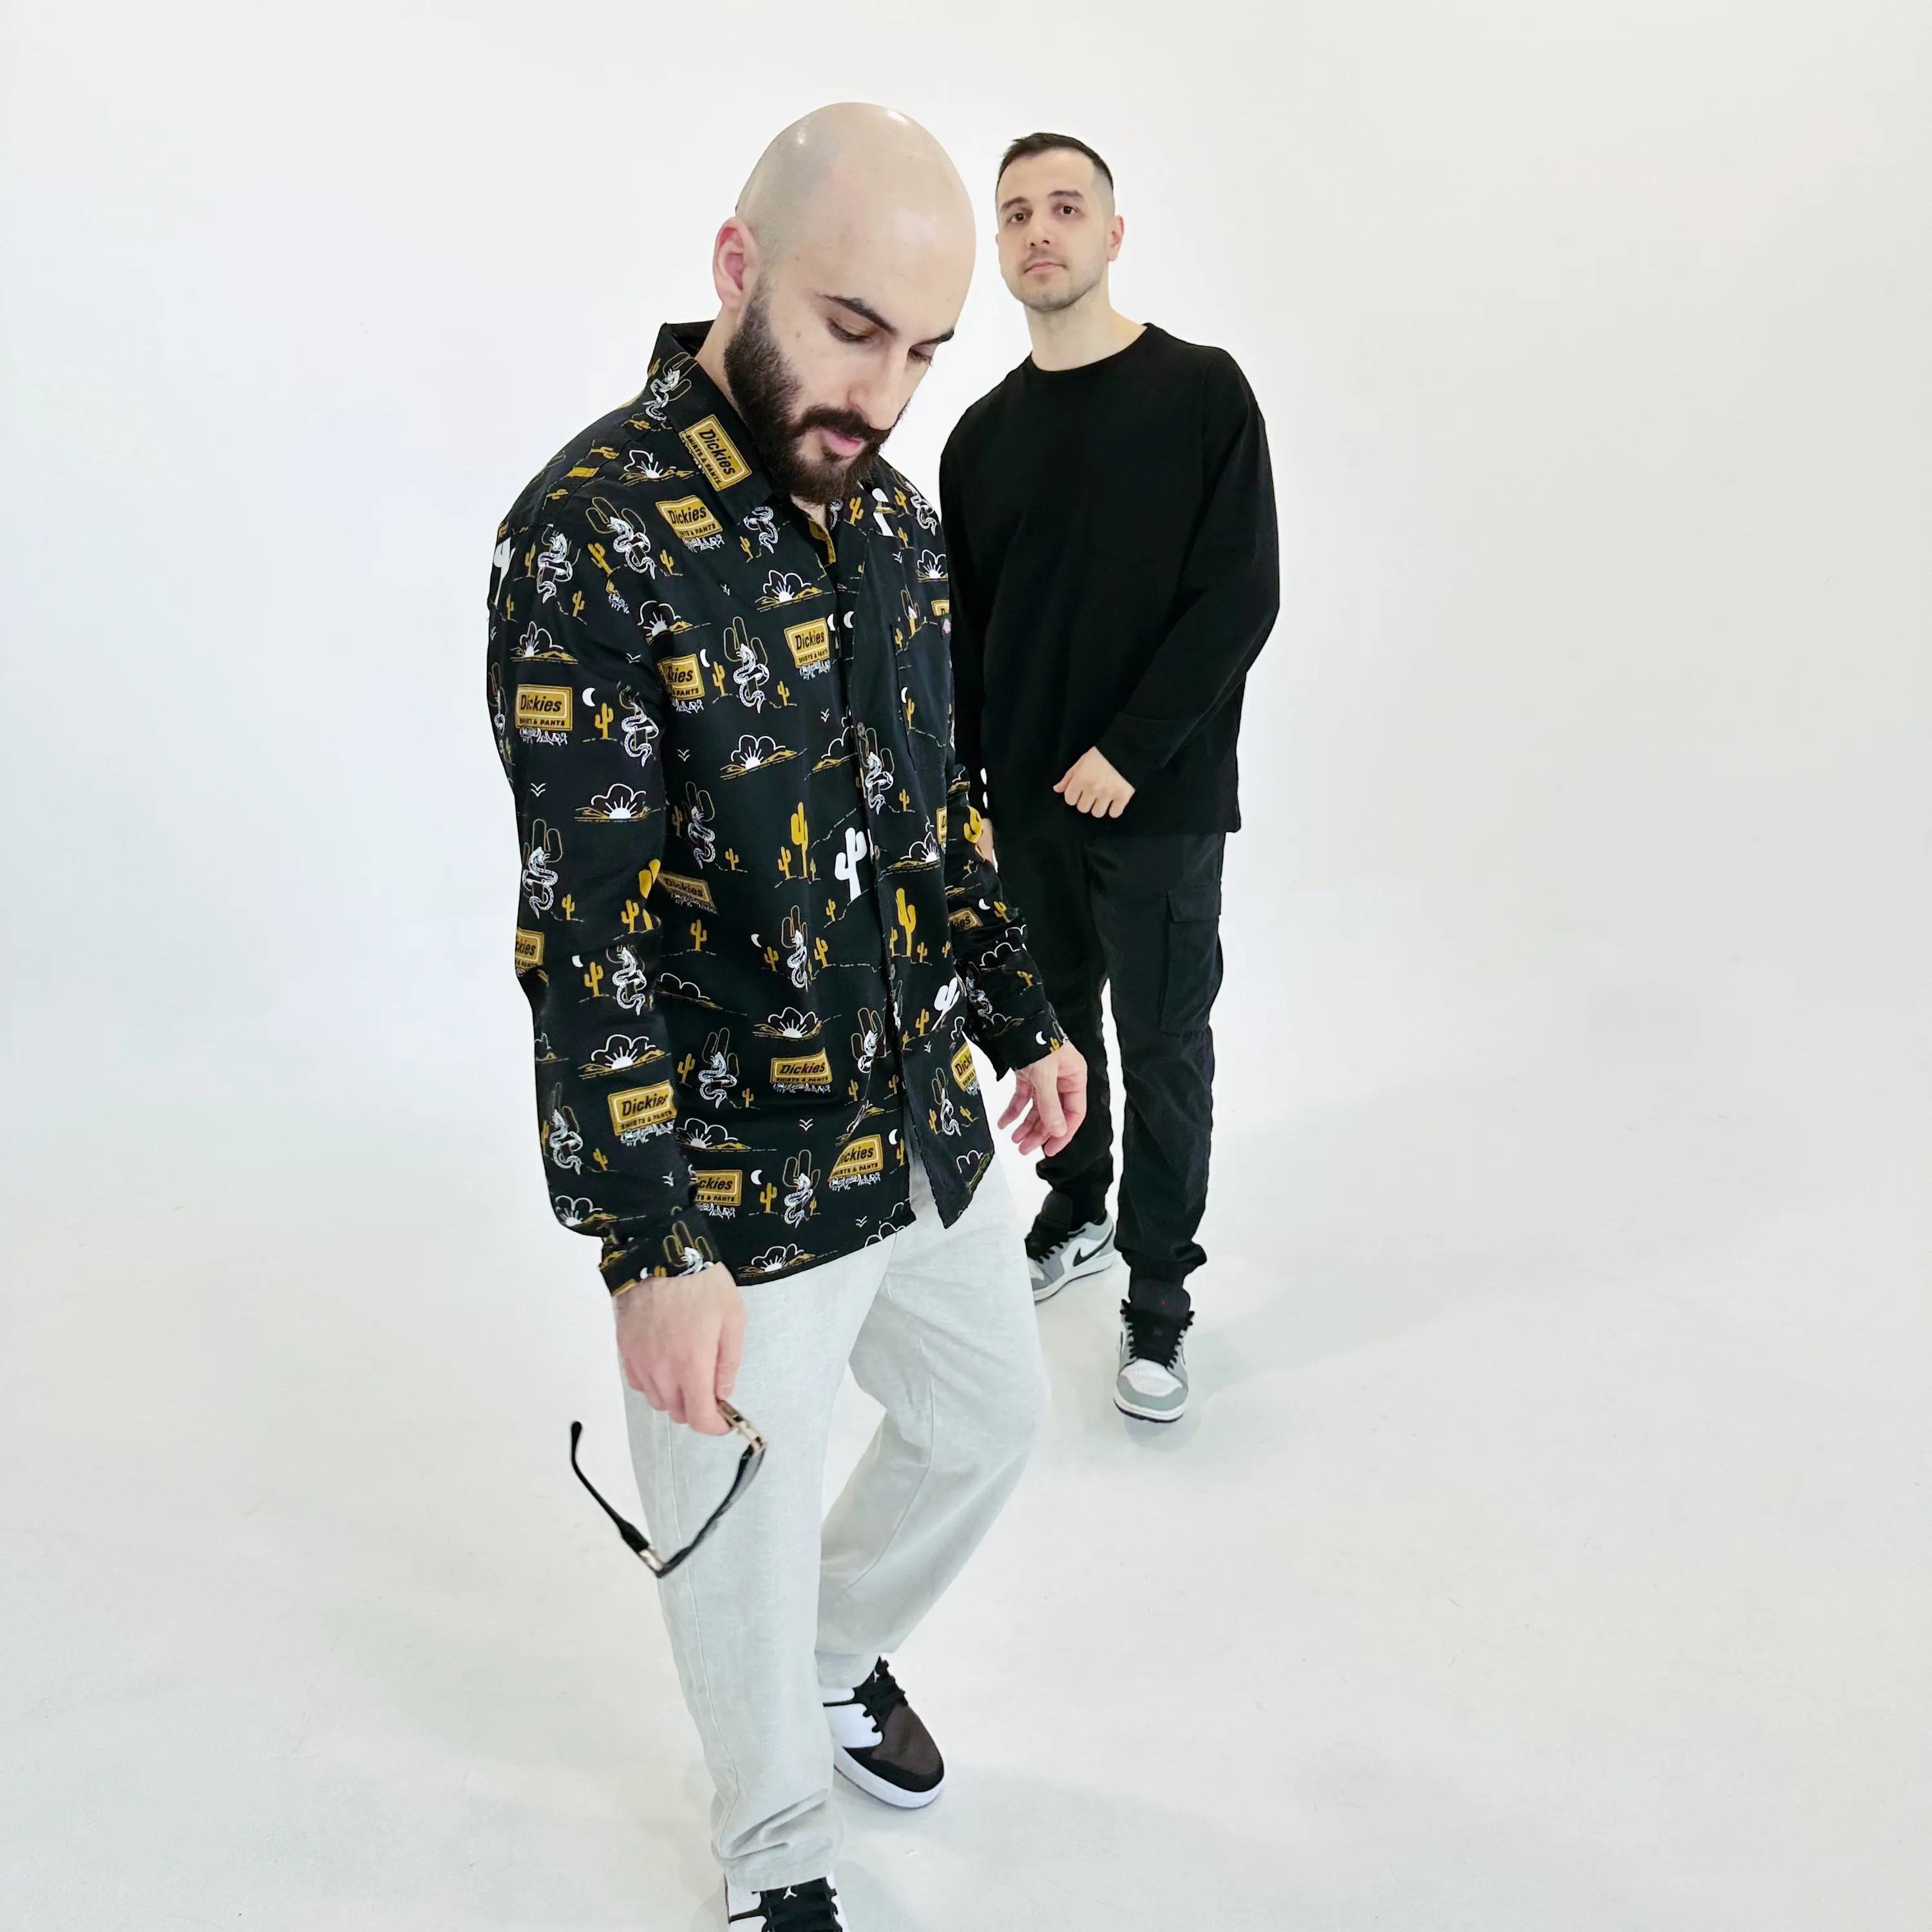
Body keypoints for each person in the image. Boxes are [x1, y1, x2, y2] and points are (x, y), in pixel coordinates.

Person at [486, 104, 1086, 1932]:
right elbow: (583, 928)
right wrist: (647, 1245)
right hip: (729, 1186)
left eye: (923, 353)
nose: (881, 396)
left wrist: (1021, 1015)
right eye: (851, 330)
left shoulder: (894, 520)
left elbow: (939, 806)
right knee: (734, 1542)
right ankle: (771, 1853)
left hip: (913, 1124)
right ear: (737, 269)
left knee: (989, 1421)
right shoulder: (590, 537)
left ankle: (835, 1660)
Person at [940, 131, 1279, 1425]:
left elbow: (1238, 593)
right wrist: (970, 793)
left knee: (1163, 1043)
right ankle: (1077, 1206)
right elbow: (967, 636)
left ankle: (1159, 1294)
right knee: (1053, 1032)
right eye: (1017, 212)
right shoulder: (979, 439)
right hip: (1025, 810)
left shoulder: (1200, 393)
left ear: (1114, 232)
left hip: (1160, 801)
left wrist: (1129, 750)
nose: (1041, 230)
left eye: (1067, 207)